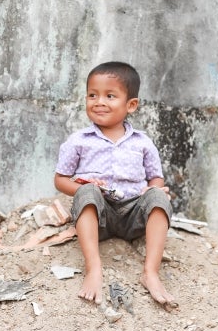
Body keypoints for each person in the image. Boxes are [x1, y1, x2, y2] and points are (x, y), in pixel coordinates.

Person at [54, 61, 175, 307]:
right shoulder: (78, 141)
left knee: (159, 197)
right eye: (92, 95)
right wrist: (86, 188)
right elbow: (60, 180)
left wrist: (153, 188)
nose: (99, 101)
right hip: (100, 217)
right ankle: (94, 268)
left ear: (131, 105)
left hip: (133, 216)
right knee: (87, 191)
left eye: (110, 96)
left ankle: (150, 272)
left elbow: (156, 177)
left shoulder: (143, 143)